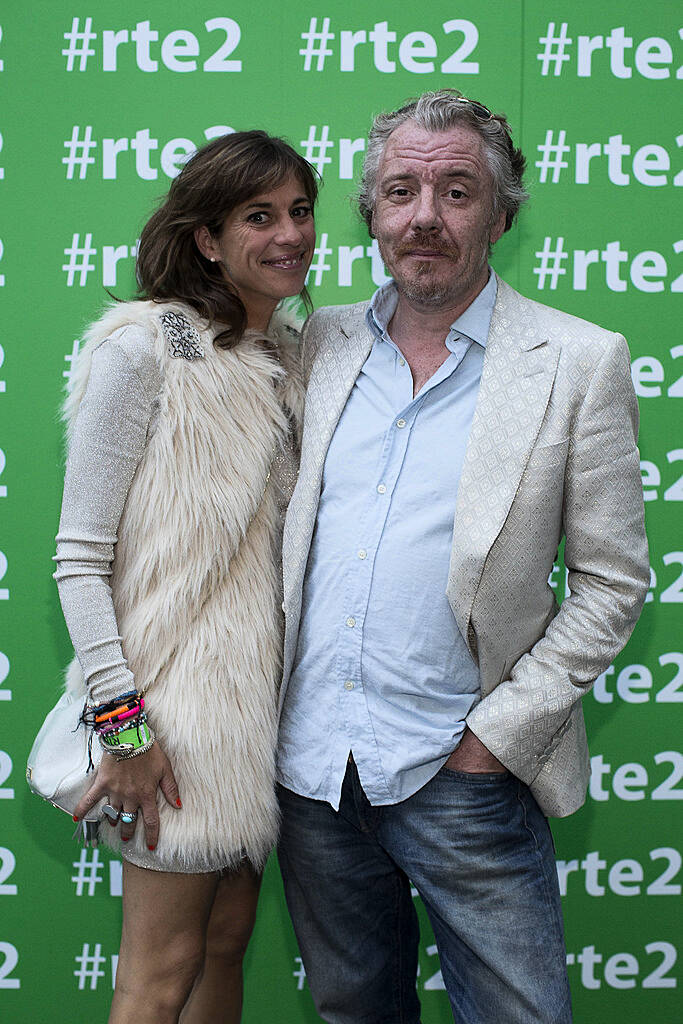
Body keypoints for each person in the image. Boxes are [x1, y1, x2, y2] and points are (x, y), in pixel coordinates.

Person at [275, 90, 649, 1024]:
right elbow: (177, 351)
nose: (424, 218)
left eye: (455, 191)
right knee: (353, 1012)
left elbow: (612, 580)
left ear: (501, 212)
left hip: (464, 776)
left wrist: (494, 740)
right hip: (314, 775)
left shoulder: (576, 360)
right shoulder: (314, 345)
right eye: (400, 191)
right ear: (371, 215)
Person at [55, 130, 317, 1024]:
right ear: (206, 237)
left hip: (256, 719)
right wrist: (124, 728)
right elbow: (79, 558)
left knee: (223, 945)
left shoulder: (282, 361)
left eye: (299, 211)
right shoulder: (141, 351)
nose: (290, 234)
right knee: (156, 976)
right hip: (169, 718)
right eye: (258, 216)